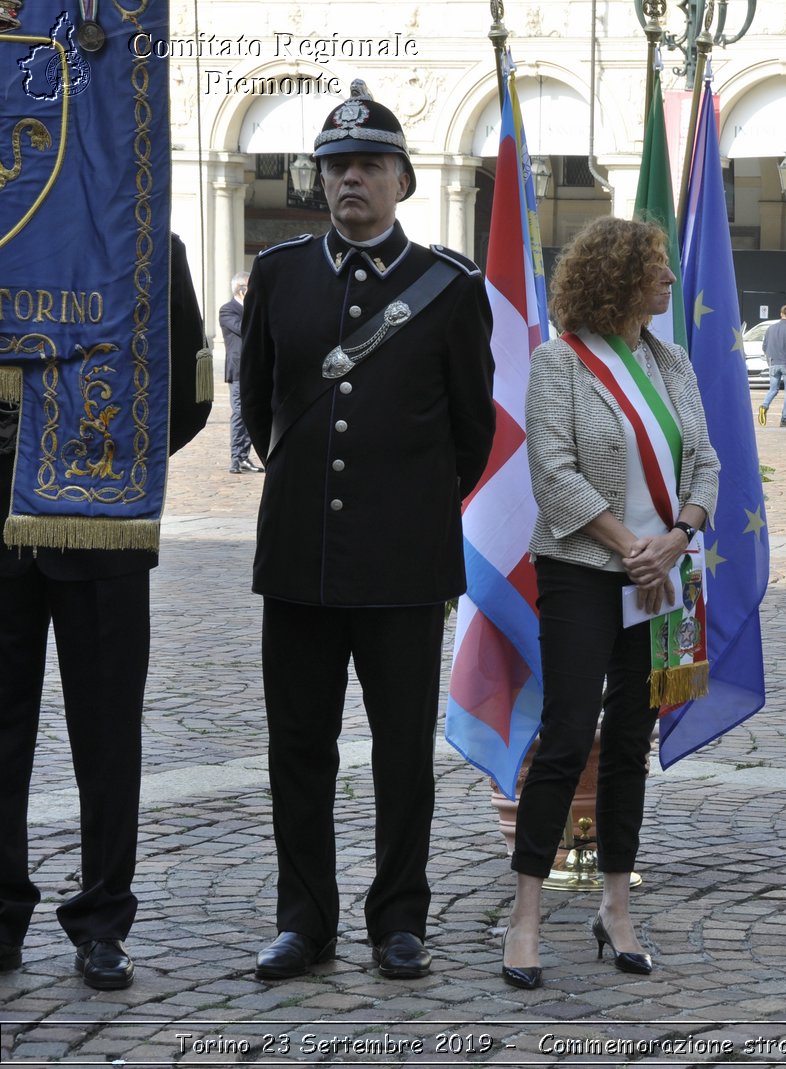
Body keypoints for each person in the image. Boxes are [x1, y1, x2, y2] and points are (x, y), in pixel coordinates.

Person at [238, 82, 495, 982]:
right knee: (299, 747)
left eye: (370, 165)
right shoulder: (277, 275)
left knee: (399, 753)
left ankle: (398, 919)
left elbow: (474, 431)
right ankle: (303, 920)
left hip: (403, 563)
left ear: (402, 181)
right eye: (338, 166)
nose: (352, 179)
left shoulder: (451, 288)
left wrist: (410, 504)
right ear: (321, 180)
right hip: (299, 560)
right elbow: (260, 405)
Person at [502, 216, 720, 989]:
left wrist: (679, 535)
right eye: (656, 269)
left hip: (665, 571)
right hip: (584, 568)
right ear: (618, 278)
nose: (668, 280)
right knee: (567, 734)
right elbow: (553, 472)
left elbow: (707, 463)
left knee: (631, 738)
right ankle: (525, 917)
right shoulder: (558, 363)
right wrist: (632, 546)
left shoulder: (675, 363)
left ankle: (615, 907)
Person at [0, 235, 212, 989]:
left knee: (108, 734)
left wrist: (114, 460)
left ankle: (102, 922)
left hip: (101, 526)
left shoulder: (148, 244)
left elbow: (190, 393)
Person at [219, 271, 261, 474]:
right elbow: (245, 329)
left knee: (252, 412)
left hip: (255, 368)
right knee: (239, 413)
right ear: (241, 290)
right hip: (237, 371)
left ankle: (245, 457)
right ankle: (236, 458)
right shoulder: (228, 310)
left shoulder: (253, 309)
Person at [757, 304, 786, 428]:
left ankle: (764, 406)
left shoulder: (770, 328)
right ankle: (784, 419)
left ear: (781, 314)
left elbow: (764, 348)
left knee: (773, 389)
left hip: (773, 363)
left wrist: (769, 361)